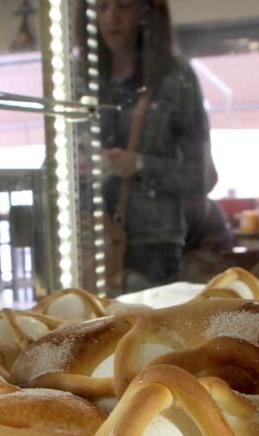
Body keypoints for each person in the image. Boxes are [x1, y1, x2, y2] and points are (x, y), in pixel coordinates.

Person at [80, 0, 210, 293]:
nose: (112, 18)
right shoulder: (82, 79)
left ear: (144, 13)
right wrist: (76, 164)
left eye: (123, 7)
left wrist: (138, 164)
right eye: (102, 8)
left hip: (154, 244)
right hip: (93, 237)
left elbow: (200, 175)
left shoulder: (175, 78)